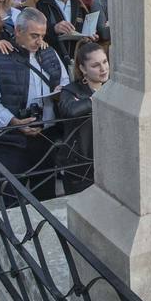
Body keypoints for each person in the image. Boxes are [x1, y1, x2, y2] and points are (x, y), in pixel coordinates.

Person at [0, 8, 70, 196]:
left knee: (45, 195)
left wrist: (61, 93)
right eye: (34, 35)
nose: (39, 41)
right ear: (18, 31)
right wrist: (13, 122)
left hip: (46, 137)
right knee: (9, 196)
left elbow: (65, 83)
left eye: (42, 35)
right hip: (11, 141)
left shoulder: (49, 53)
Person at [56, 41, 107, 193]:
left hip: (109, 162)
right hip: (80, 165)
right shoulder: (71, 90)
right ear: (83, 69)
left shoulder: (113, 86)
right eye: (95, 65)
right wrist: (93, 100)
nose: (103, 68)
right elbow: (69, 110)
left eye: (105, 62)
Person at [35, 0, 88, 64]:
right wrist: (53, 28)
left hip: (77, 60)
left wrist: (90, 33)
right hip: (51, 60)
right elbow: (29, 31)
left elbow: (83, 21)